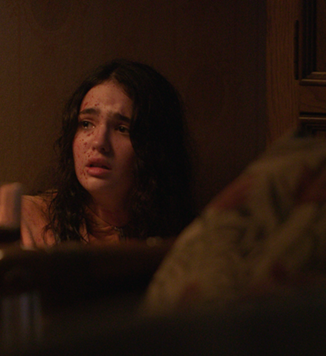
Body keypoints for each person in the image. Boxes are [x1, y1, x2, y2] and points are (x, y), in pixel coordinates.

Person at [19, 59, 196, 248]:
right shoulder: (28, 219)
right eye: (86, 124)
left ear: (155, 145)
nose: (99, 142)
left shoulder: (184, 235)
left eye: (122, 128)